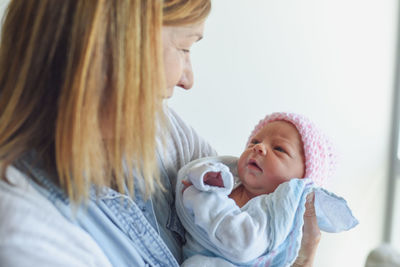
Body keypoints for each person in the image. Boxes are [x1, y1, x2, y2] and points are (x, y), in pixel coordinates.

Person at [0, 1, 320, 266]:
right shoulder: (25, 235)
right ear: (115, 46)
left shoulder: (162, 132)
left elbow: (244, 195)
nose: (187, 78)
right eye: (183, 47)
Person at [176, 112, 358, 266]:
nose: (259, 147)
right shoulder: (229, 181)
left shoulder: (274, 213)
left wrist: (202, 197)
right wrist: (207, 180)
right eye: (254, 142)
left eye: (279, 149)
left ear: (299, 184)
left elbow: (243, 244)